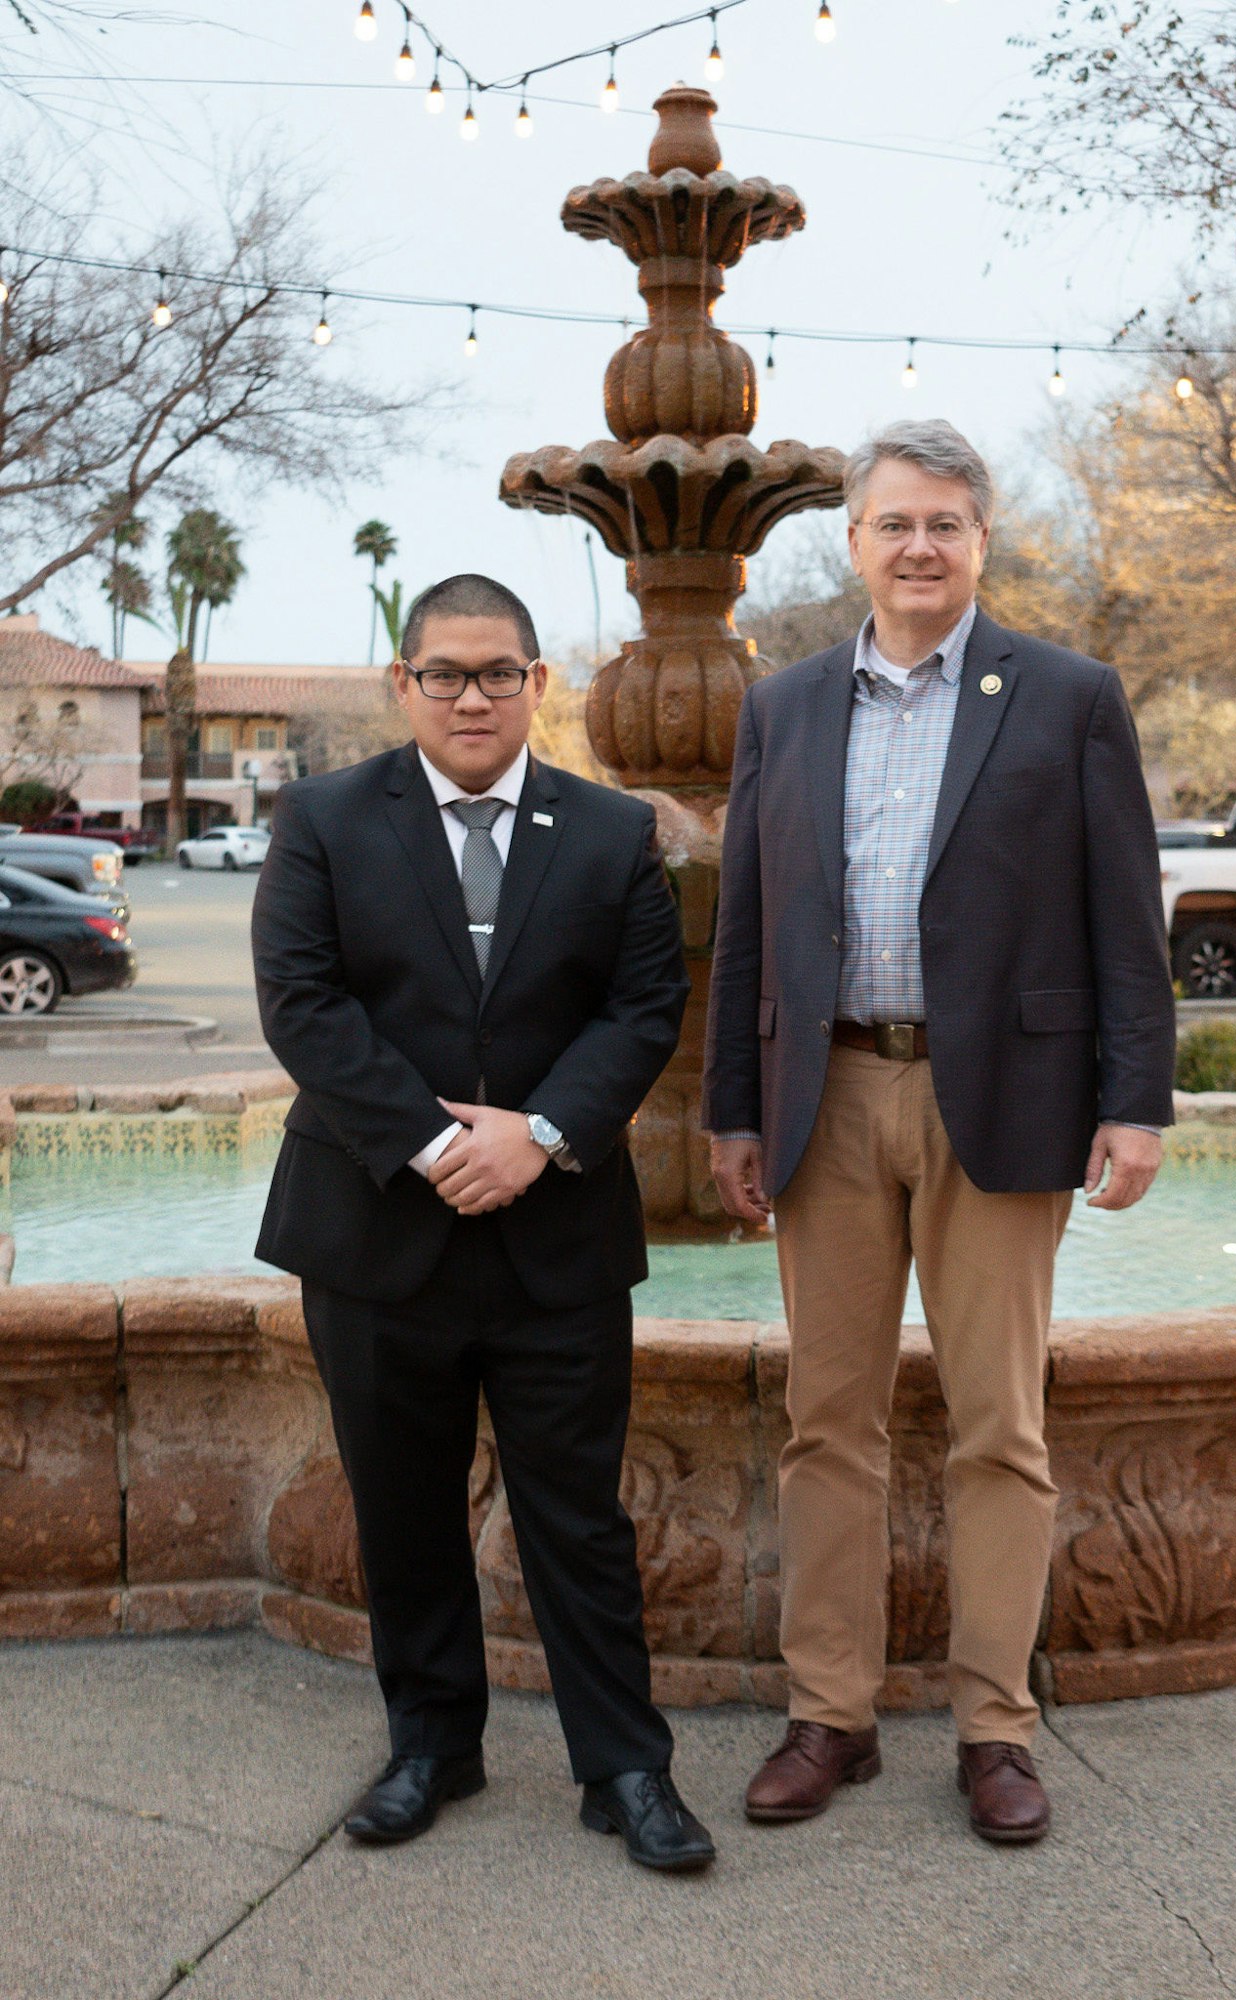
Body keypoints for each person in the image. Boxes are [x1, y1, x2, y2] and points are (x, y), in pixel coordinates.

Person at [702, 421, 1175, 1844]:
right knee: (825, 1426)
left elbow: (1121, 912)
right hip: (826, 1098)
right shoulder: (780, 708)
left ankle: (993, 1731)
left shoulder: (1067, 696)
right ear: (851, 540)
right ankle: (828, 1717)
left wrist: (1134, 1100)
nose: (920, 547)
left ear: (980, 541)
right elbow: (746, 932)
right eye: (895, 523)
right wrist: (732, 1104)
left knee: (998, 1430)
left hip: (1006, 1106)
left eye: (946, 524)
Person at [251, 573, 714, 1874]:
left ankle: (624, 1766)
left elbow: (638, 1013)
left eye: (496, 672)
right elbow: (303, 1002)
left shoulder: (612, 830)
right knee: (401, 1507)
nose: (470, 694)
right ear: (405, 686)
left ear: (535, 684)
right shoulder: (325, 818)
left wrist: (540, 1137)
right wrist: (439, 1141)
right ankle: (430, 1747)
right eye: (444, 673)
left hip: (555, 1235)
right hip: (374, 1229)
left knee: (578, 1514)